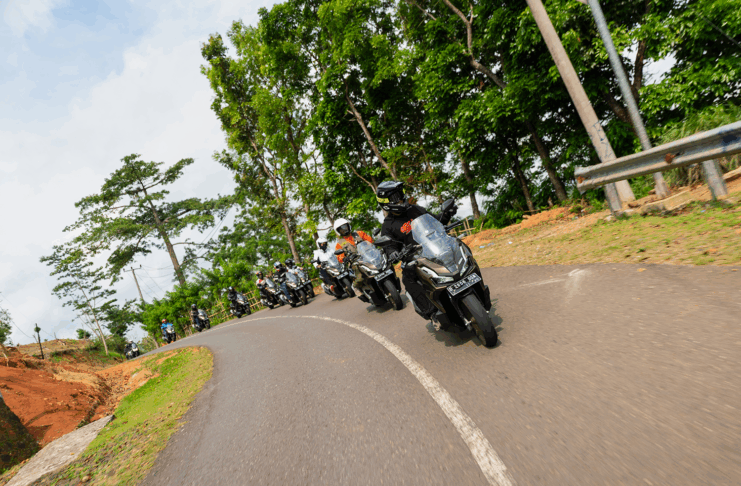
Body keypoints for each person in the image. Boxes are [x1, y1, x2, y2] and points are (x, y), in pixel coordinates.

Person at [376, 180, 457, 320]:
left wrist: (446, 214)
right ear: (386, 203)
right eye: (396, 196)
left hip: (435, 248)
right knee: (408, 280)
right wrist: (393, 253)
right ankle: (432, 313)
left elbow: (435, 221)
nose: (401, 197)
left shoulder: (415, 209)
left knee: (459, 249)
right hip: (415, 259)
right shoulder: (387, 226)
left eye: (401, 193)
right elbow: (389, 246)